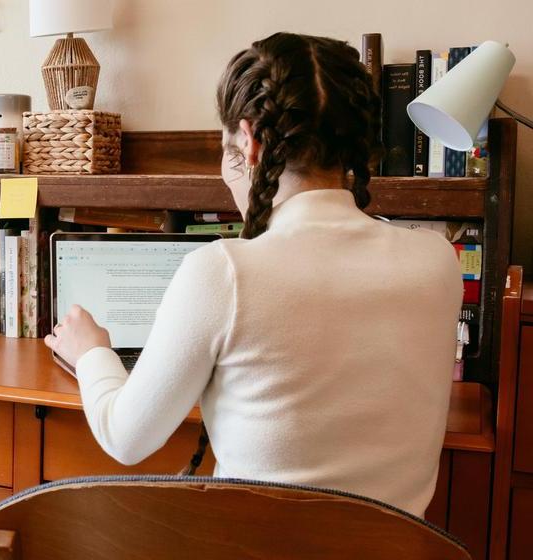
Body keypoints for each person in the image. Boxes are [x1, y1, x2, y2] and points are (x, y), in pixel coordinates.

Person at [45, 32, 462, 518]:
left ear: (250, 140)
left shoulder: (222, 271)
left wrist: (91, 351)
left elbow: (125, 437)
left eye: (229, 150)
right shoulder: (438, 261)